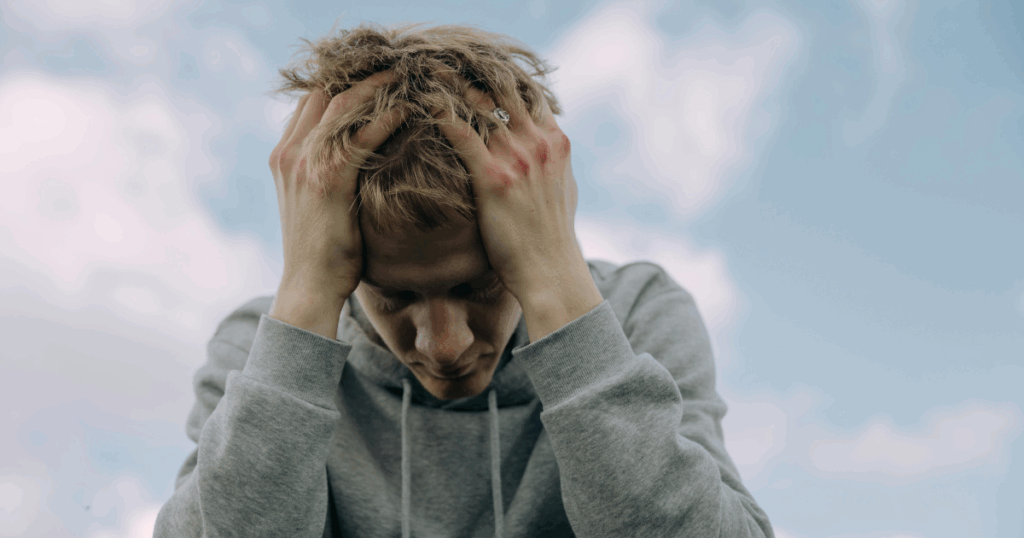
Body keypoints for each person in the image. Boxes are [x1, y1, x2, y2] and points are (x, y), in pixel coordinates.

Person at [154, 21, 775, 538]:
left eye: (479, 287)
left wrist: (558, 291)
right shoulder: (262, 351)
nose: (443, 346)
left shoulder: (638, 314)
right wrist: (306, 298)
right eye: (394, 296)